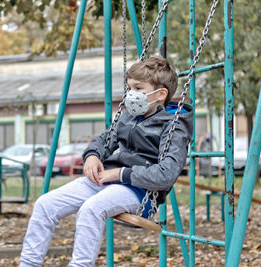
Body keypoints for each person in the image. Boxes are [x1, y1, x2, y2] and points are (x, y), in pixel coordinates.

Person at [19, 56, 193, 267]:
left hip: (139, 190)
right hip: (106, 180)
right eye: (129, 88)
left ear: (161, 94)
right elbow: (104, 140)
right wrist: (92, 156)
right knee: (45, 204)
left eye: (138, 88)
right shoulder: (129, 115)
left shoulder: (174, 126)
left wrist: (120, 174)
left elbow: (166, 174)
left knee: (90, 209)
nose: (131, 94)